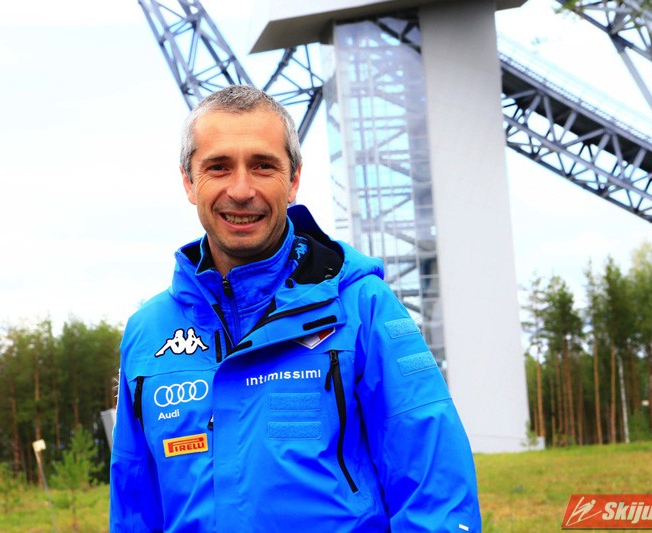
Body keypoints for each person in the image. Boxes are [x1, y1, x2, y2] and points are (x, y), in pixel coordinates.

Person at [109, 85, 481, 532]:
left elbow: (437, 493)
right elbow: (133, 509)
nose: (241, 190)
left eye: (263, 166)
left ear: (294, 180)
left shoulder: (363, 307)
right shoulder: (147, 333)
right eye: (218, 167)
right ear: (189, 182)